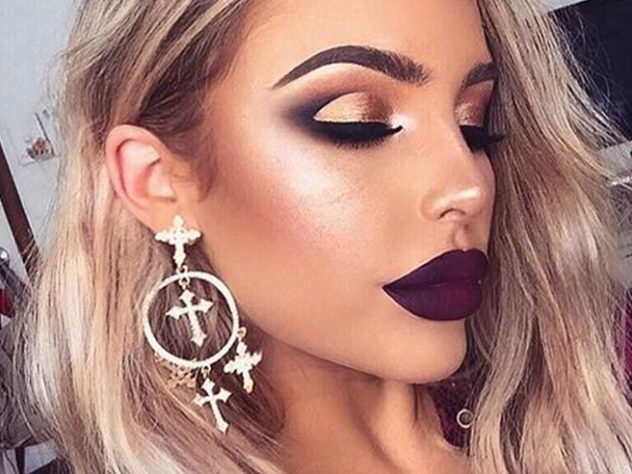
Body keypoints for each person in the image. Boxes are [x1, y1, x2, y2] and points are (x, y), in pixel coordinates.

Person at [6, 0, 632, 472]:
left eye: (474, 124)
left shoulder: (601, 377)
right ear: (159, 181)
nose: (467, 185)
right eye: (359, 123)